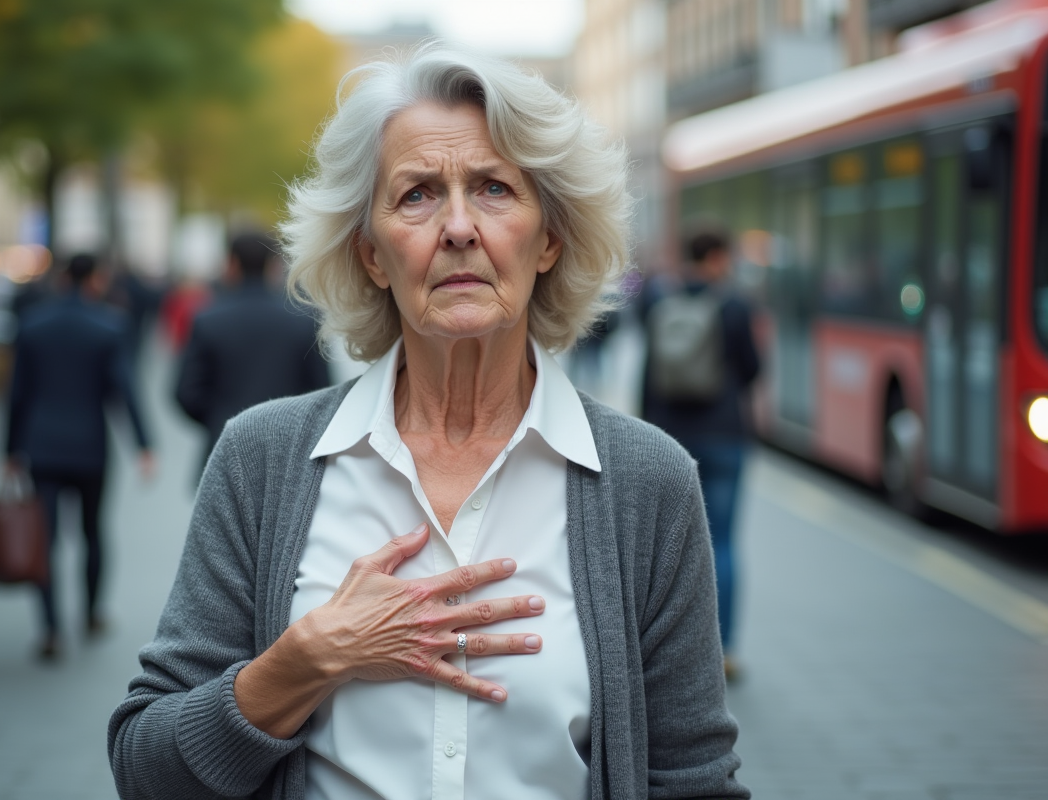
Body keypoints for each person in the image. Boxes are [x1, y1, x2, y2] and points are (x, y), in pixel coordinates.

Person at [109, 44, 748, 800]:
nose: (457, 227)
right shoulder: (262, 458)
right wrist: (310, 656)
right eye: (415, 194)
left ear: (549, 239)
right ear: (372, 255)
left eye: (493, 189)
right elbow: (146, 768)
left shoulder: (648, 481)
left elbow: (693, 782)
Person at [5, 253, 154, 660]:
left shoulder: (33, 325)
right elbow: (124, 390)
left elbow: (17, 393)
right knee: (93, 532)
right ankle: (90, 613)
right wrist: (143, 444)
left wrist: (9, 449)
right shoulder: (108, 326)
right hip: (90, 446)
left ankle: (50, 628)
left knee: (45, 537)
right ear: (95, 278)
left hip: (42, 446)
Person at [639, 227, 761, 682]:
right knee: (723, 543)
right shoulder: (734, 306)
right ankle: (724, 649)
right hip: (725, 434)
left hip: (671, 437)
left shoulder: (656, 301)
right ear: (717, 257)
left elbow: (648, 371)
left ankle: (675, 653)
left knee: (668, 548)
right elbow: (752, 371)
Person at [175, 231, 330, 465]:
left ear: (231, 264)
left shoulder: (207, 320)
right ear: (274, 266)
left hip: (224, 447)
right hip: (286, 451)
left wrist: (218, 419)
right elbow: (322, 391)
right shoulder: (304, 320)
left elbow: (186, 393)